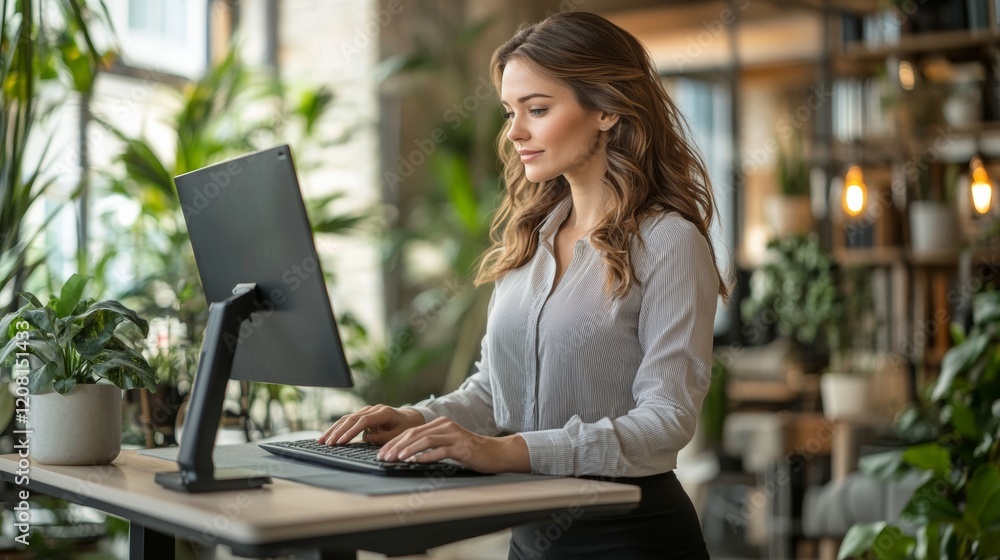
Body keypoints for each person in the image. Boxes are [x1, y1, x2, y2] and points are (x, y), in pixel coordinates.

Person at [320, 11, 728, 560]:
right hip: (530, 536)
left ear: (607, 110)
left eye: (537, 109)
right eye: (511, 112)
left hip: (628, 538)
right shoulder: (531, 240)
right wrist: (417, 418)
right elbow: (496, 391)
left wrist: (506, 451)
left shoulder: (668, 242)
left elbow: (665, 423)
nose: (514, 132)